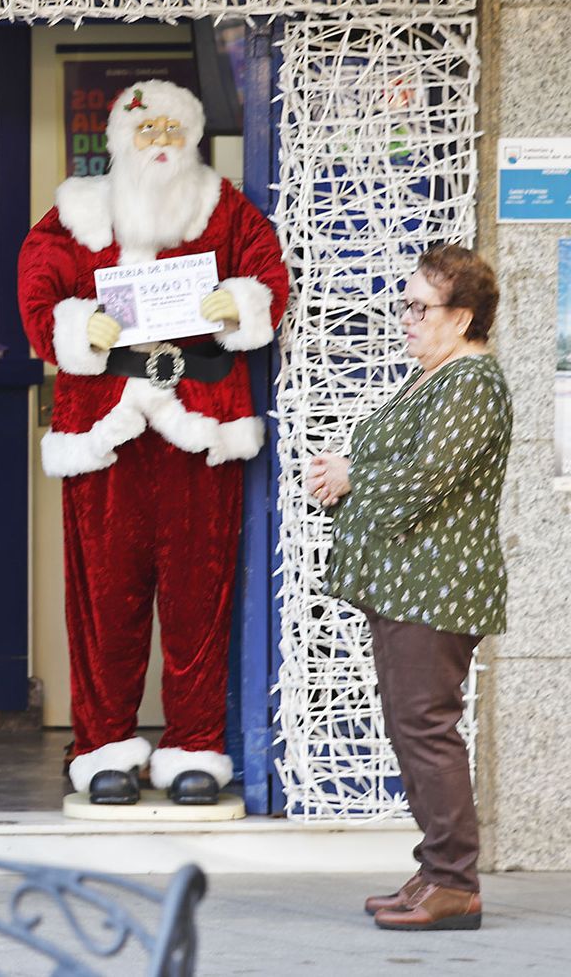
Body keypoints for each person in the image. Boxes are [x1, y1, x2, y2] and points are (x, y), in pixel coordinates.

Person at [18, 80, 290, 805]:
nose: (160, 141)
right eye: (146, 130)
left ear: (194, 135)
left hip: (199, 425)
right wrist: (74, 328)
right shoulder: (75, 212)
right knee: (105, 601)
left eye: (174, 128)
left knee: (200, 599)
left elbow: (268, 272)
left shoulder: (223, 207)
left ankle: (195, 745)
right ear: (119, 140)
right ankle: (103, 744)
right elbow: (38, 288)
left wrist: (243, 302)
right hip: (106, 428)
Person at [307, 245, 510, 932]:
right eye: (405, 304)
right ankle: (435, 868)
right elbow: (400, 464)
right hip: (408, 585)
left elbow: (429, 478)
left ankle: (455, 881)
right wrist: (345, 470)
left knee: (427, 727)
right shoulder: (435, 376)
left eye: (419, 307)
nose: (405, 318)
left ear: (462, 316)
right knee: (411, 724)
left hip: (438, 587)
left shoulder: (473, 383)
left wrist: (353, 476)